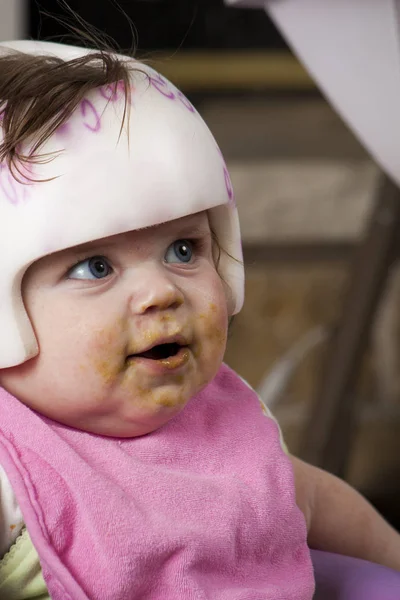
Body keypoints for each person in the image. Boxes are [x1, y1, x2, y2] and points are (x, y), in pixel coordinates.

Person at [0, 40, 399, 600]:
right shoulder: (11, 475)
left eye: (184, 250)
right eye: (95, 266)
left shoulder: (226, 424)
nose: (160, 292)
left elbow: (309, 499)